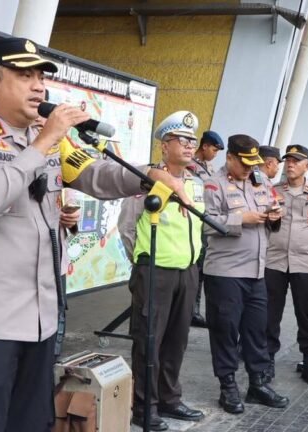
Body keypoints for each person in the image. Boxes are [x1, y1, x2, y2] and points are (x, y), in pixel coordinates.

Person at [0, 37, 189, 432]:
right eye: (24, 75)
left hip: (39, 320)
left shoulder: (50, 143)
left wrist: (148, 175)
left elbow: (95, 174)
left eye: (40, 76)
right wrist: (42, 141)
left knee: (31, 423)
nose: (38, 86)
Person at [117, 111, 207, 430]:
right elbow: (127, 226)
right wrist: (143, 262)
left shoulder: (196, 184)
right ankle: (145, 407)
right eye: (180, 140)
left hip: (187, 271)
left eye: (192, 140)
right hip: (155, 272)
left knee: (176, 339)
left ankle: (169, 399)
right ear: (164, 145)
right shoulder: (147, 180)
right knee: (148, 340)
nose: (188, 146)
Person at [202, 134, 289, 414]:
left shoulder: (260, 181)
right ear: (229, 158)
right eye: (244, 163)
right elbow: (203, 222)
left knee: (256, 331)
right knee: (225, 331)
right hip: (225, 273)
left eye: (254, 163)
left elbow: (273, 210)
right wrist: (242, 219)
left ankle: (257, 384)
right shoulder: (211, 184)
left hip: (257, 271)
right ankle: (227, 387)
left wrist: (275, 216)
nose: (250, 168)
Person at [264, 144, 308, 386]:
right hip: (275, 261)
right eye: (288, 160)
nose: (290, 164)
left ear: (307, 166)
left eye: (296, 160)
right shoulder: (273, 190)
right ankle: (267, 361)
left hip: (305, 263)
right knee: (270, 314)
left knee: (307, 315)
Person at [189, 130, 225, 328]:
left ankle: (194, 311)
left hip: (205, 223)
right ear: (204, 146)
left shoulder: (209, 168)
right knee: (195, 268)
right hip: (194, 222)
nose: (215, 153)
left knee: (201, 268)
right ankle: (189, 310)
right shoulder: (190, 166)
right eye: (214, 149)